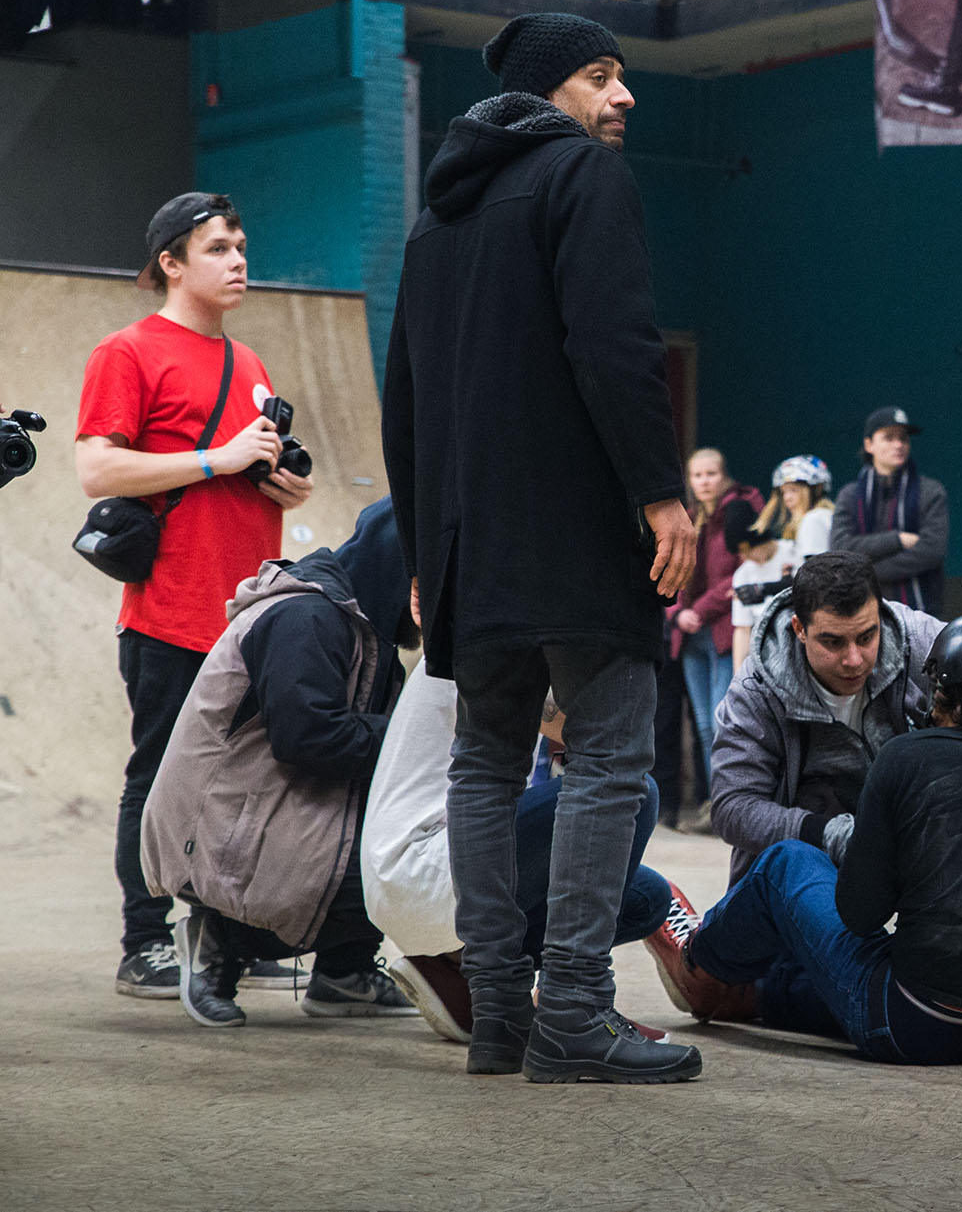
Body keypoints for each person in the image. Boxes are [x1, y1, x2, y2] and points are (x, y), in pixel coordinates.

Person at [380, 11, 701, 1084]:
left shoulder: (433, 219)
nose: (624, 96)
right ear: (549, 91)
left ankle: (500, 1021)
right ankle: (571, 1011)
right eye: (602, 76)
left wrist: (424, 550)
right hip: (574, 531)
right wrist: (660, 493)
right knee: (610, 754)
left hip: (468, 542)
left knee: (483, 761)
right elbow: (616, 344)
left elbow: (403, 401)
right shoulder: (582, 178)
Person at [655, 613, 962, 1064]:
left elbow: (861, 913)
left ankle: (697, 967)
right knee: (871, 969)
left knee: (785, 862)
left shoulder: (905, 757)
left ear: (939, 686)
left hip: (908, 1025)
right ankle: (751, 994)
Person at [76, 191, 315, 1000]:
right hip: (171, 610)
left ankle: (226, 939)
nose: (238, 260)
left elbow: (241, 464)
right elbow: (97, 468)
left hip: (249, 613)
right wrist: (218, 458)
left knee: (242, 784)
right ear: (170, 263)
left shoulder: (249, 363)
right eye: (217, 248)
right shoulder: (128, 351)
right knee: (158, 780)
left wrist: (282, 484)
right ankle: (143, 942)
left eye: (240, 245)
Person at [139, 499, 416, 1029]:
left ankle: (344, 970)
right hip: (226, 829)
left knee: (402, 823)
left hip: (272, 811)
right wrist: (417, 736)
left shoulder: (363, 625)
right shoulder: (307, 616)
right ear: (396, 570)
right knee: (400, 857)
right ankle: (219, 941)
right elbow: (311, 739)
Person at [360, 668, 681, 1047]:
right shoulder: (492, 640)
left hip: (424, 878)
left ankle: (458, 969)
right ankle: (570, 1002)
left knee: (648, 897)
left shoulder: (520, 648)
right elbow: (606, 735)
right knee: (631, 790)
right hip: (422, 864)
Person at [707, 551, 948, 886]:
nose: (854, 659)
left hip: (914, 850)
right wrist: (835, 835)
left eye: (866, 637)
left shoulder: (919, 639)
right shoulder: (756, 689)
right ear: (799, 629)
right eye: (833, 642)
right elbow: (732, 808)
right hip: (804, 870)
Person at [672, 448, 763, 793]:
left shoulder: (740, 510)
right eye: (697, 475)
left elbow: (746, 570)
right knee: (703, 725)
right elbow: (670, 570)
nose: (704, 481)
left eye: (711, 474)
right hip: (690, 634)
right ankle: (717, 801)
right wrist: (677, 612)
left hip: (727, 629)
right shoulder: (688, 517)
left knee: (723, 719)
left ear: (724, 476)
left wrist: (700, 609)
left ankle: (731, 798)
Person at [832, 406, 950, 618]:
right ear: (869, 444)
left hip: (921, 613)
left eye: (903, 438)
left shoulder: (930, 491)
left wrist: (867, 572)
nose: (899, 445)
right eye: (889, 438)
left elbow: (932, 550)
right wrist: (898, 539)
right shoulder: (849, 495)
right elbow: (841, 547)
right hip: (860, 612)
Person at [730, 507, 802, 674]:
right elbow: (742, 628)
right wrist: (738, 673)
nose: (746, 557)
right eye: (741, 553)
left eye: (748, 550)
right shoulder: (743, 574)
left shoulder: (793, 552)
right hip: (766, 652)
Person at [772, 454, 835, 559]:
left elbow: (816, 567)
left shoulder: (814, 519)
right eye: (783, 492)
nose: (787, 498)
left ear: (816, 489)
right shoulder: (823, 515)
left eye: (793, 490)